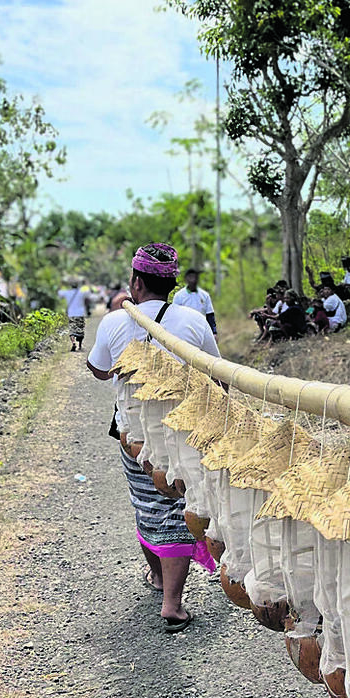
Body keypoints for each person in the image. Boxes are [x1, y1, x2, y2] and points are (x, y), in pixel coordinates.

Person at [86, 243, 220, 631]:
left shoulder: (114, 322)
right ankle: (172, 602)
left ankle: (161, 581)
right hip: (183, 431)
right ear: (173, 285)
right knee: (180, 508)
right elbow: (216, 372)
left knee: (146, 502)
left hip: (135, 435)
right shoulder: (192, 320)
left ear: (136, 282)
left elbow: (99, 371)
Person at [171, 268, 218, 338]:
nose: (193, 279)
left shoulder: (205, 295)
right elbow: (174, 315)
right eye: (190, 277)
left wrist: (214, 332)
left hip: (201, 330)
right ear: (186, 279)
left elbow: (210, 315)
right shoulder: (179, 296)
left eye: (195, 277)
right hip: (184, 331)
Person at [60, 280, 87, 351]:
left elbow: (59, 293)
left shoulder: (67, 293)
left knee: (72, 329)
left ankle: (73, 342)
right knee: (80, 329)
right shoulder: (81, 292)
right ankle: (80, 345)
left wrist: (61, 284)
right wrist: (85, 284)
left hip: (71, 313)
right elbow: (88, 293)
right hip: (80, 313)